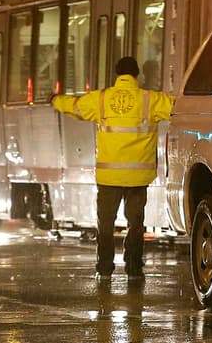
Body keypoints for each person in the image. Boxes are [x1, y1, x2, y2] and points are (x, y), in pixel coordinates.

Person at [51, 56, 174, 280]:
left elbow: (74, 107)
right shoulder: (150, 100)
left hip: (108, 177)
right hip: (138, 177)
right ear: (137, 75)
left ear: (117, 74)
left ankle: (105, 269)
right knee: (136, 224)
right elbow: (177, 108)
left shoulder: (102, 99)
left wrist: (55, 100)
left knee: (105, 224)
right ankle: (134, 269)